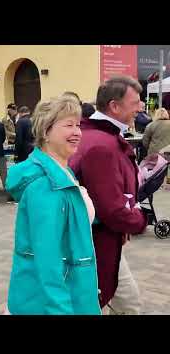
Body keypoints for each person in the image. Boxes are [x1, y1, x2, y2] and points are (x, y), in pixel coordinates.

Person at [5, 96, 101, 315]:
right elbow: (47, 259)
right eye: (68, 125)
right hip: (51, 303)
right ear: (46, 132)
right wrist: (60, 309)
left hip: (67, 291)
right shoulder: (46, 185)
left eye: (78, 125)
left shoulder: (62, 172)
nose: (77, 132)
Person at [69, 76, 148, 315]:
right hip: (96, 241)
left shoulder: (96, 135)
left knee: (121, 302)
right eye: (135, 102)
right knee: (123, 304)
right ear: (114, 106)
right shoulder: (101, 144)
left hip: (98, 238)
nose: (141, 107)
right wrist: (140, 219)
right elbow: (109, 208)